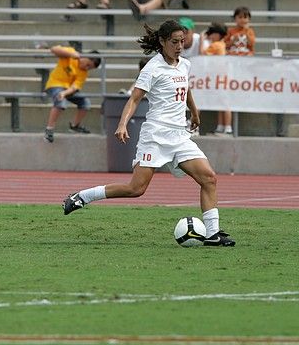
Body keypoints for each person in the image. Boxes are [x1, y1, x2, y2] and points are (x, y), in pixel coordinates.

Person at [62, 19, 236, 247]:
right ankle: (83, 196)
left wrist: (194, 113)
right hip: (155, 135)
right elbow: (134, 98)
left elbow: (186, 89)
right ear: (163, 42)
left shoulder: (184, 64)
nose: (179, 46)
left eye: (182, 41)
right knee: (136, 189)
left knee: (209, 178)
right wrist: (122, 124)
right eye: (174, 42)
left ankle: (212, 234)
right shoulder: (152, 68)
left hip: (179, 136)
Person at [44, 45, 101, 143]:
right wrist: (71, 54)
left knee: (85, 103)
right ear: (85, 56)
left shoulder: (84, 72)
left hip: (68, 90)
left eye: (89, 68)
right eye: (87, 64)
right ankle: (49, 129)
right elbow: (54, 50)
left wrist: (65, 93)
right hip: (55, 85)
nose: (86, 68)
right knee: (61, 102)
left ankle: (75, 125)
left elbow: (75, 87)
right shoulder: (71, 54)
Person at [214, 6, 257, 136]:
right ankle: (223, 125)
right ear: (235, 18)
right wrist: (232, 39)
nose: (242, 20)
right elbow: (225, 44)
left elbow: (252, 45)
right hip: (231, 64)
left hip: (244, 64)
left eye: (245, 17)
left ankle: (227, 125)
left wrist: (246, 33)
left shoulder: (250, 32)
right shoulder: (231, 32)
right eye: (240, 17)